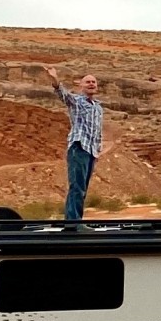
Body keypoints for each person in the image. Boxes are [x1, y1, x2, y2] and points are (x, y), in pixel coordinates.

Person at [45, 66, 106, 220]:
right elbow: (62, 94)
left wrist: (97, 151)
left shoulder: (98, 107)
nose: (91, 84)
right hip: (79, 147)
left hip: (91, 151)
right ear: (81, 86)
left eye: (93, 82)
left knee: (82, 188)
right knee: (77, 187)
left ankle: (76, 221)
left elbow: (97, 131)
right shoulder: (76, 101)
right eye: (88, 82)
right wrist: (54, 79)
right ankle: (73, 222)